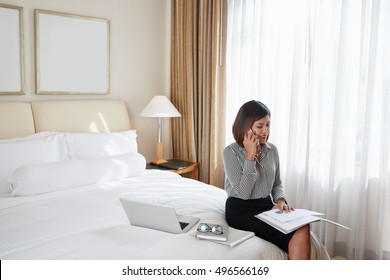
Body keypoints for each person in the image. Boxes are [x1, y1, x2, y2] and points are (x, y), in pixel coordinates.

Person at [223, 100, 311, 260]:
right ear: (246, 126)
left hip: (265, 206)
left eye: (268, 125)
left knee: (303, 227)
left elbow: (277, 184)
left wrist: (280, 201)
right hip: (240, 210)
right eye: (260, 126)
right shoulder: (230, 152)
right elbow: (243, 193)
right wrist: (250, 156)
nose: (265, 131)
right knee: (294, 233)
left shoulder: (272, 150)